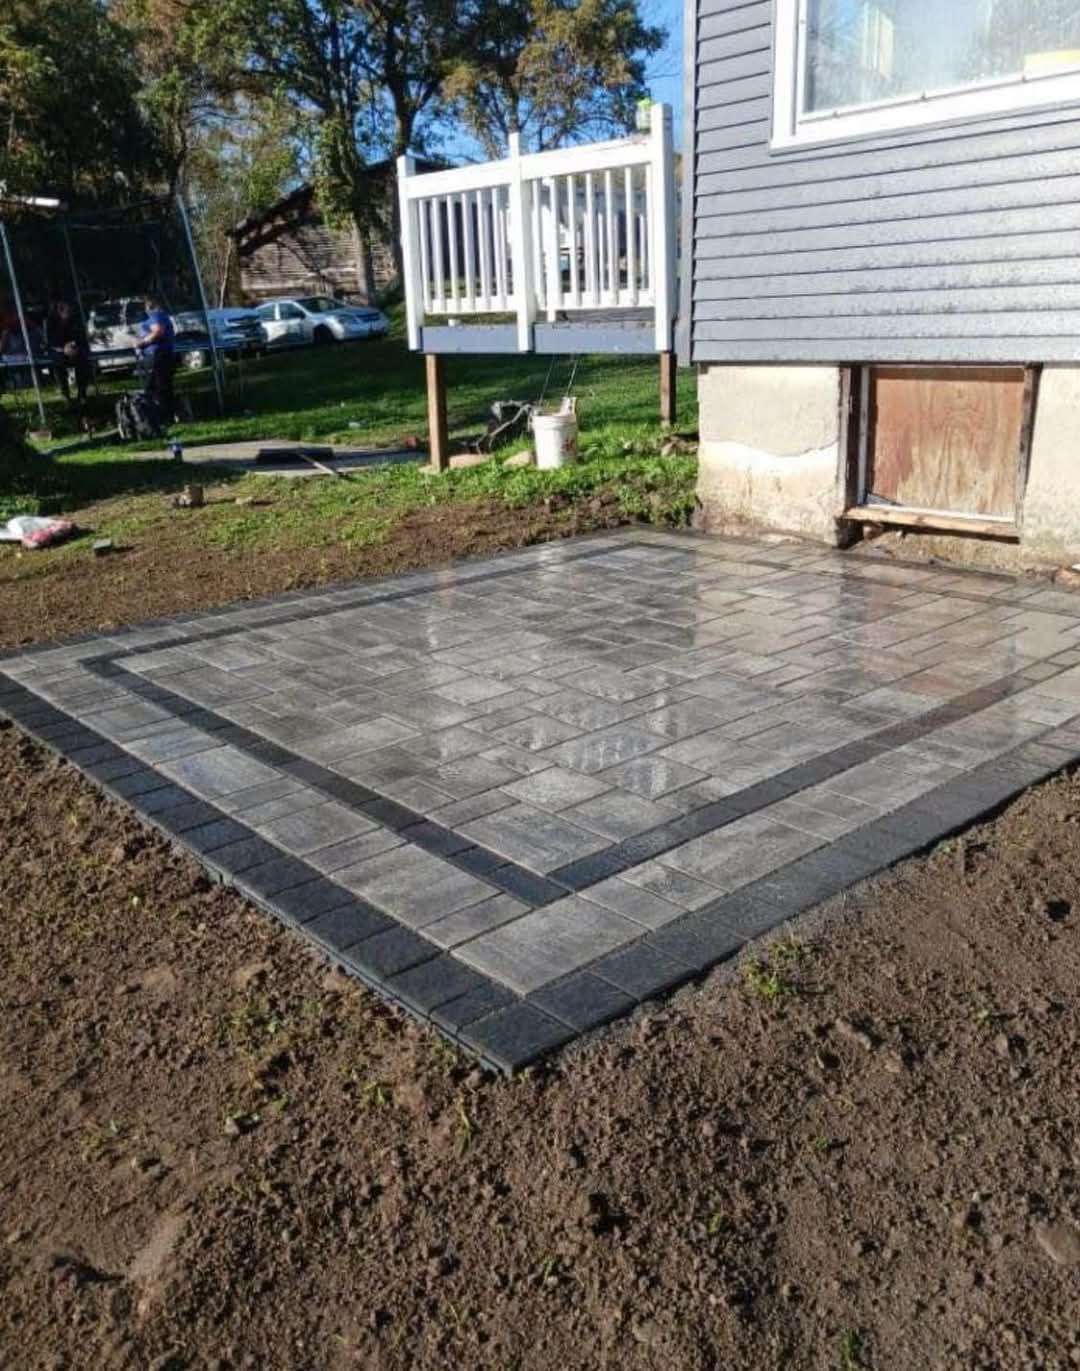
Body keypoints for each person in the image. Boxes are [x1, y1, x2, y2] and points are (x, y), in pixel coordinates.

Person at [136, 292, 176, 424]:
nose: (144, 307)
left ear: (150, 303)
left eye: (144, 304)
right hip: (159, 356)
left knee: (158, 388)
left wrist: (142, 342)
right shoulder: (158, 316)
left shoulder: (156, 314)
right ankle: (164, 416)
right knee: (161, 387)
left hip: (158, 356)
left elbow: (158, 332)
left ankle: (164, 417)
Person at [45, 300, 92, 405]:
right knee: (57, 362)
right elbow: (51, 342)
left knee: (84, 360)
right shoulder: (51, 322)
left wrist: (73, 345)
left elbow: (81, 337)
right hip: (58, 350)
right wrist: (63, 348)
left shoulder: (76, 320)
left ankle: (82, 393)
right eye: (65, 310)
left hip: (74, 348)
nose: (68, 312)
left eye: (68, 310)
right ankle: (65, 394)